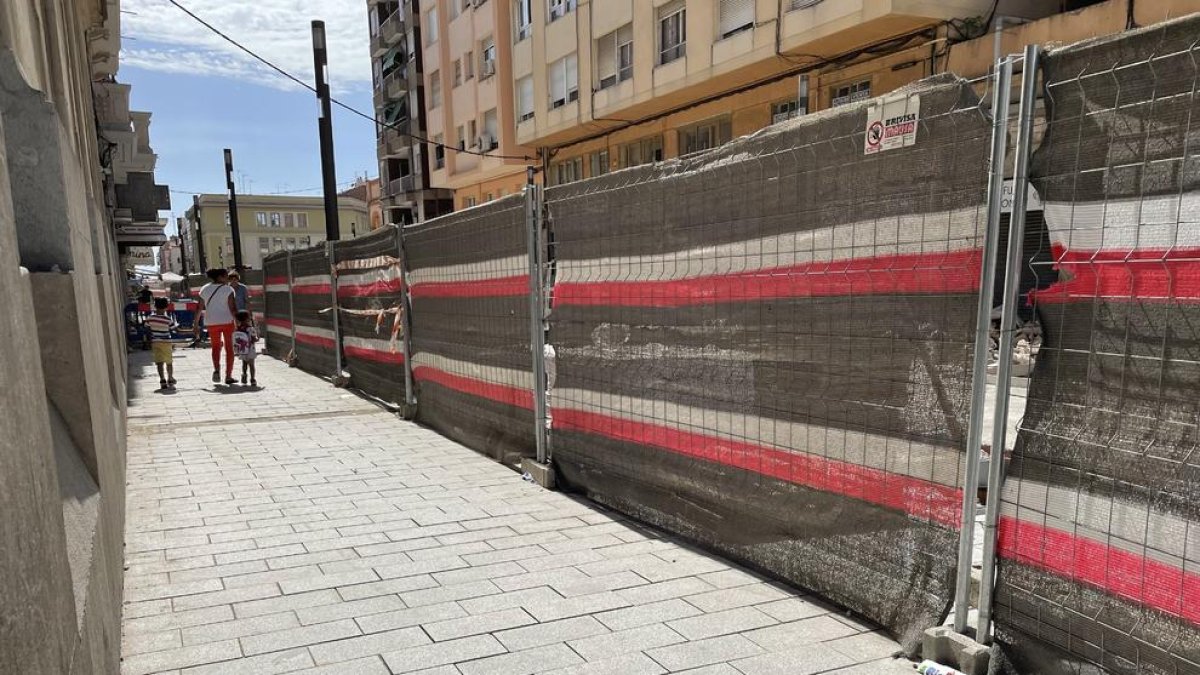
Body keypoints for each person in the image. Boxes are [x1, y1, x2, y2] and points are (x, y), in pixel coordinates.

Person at [196, 268, 238, 384]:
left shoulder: (204, 289)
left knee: (215, 347)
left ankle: (216, 370)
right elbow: (233, 308)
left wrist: (195, 324)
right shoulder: (228, 290)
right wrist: (238, 323)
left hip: (211, 323)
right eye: (226, 277)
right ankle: (228, 376)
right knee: (229, 349)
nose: (227, 279)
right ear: (220, 277)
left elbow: (199, 308)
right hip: (227, 322)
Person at [144, 297, 178, 390]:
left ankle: (162, 380)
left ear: (155, 306)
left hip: (155, 342)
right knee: (169, 362)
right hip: (166, 342)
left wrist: (148, 340)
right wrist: (177, 326)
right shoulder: (168, 319)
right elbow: (172, 329)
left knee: (159, 362)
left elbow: (147, 329)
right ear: (166, 307)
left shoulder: (150, 318)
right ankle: (170, 379)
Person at [233, 310, 259, 386]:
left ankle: (244, 375)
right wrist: (257, 338)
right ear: (247, 319)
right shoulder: (250, 329)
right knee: (251, 365)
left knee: (244, 364)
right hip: (250, 349)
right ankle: (252, 379)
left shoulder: (238, 329)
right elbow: (254, 339)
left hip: (243, 350)